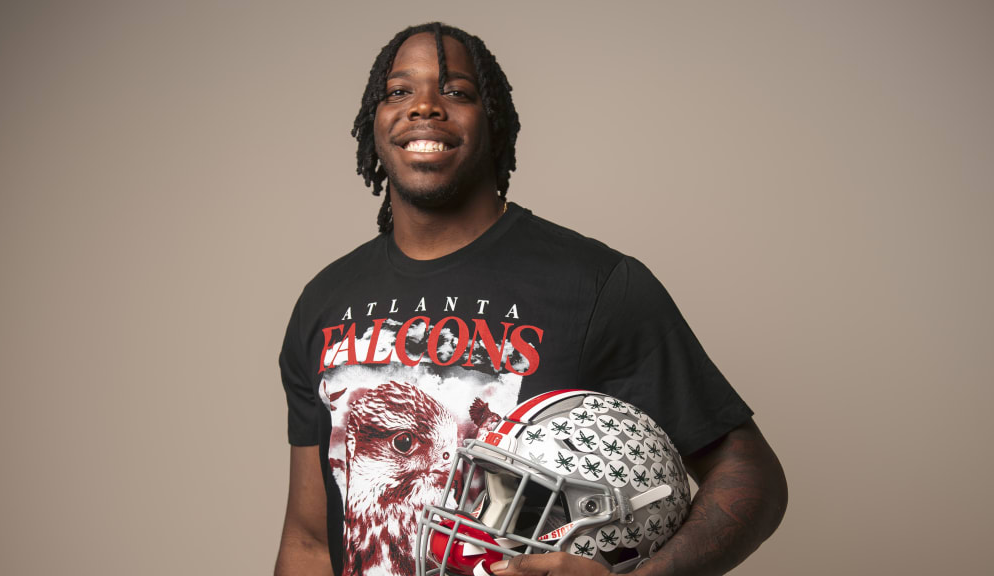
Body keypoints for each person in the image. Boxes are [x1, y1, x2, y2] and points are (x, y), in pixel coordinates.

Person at [275, 22, 787, 576]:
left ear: (493, 123)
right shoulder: (326, 301)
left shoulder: (596, 285)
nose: (424, 107)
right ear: (374, 123)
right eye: (399, 92)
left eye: (456, 92)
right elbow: (309, 541)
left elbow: (749, 473)